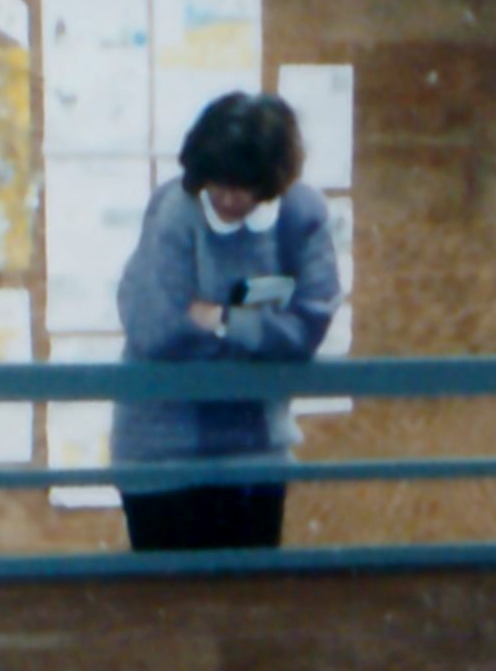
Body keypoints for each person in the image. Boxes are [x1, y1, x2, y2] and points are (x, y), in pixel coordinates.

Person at [112, 91, 340, 553]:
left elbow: (308, 328)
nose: (227, 199)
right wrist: (261, 336)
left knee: (247, 610)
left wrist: (220, 320)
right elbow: (154, 328)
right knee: (172, 611)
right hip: (161, 454)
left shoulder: (301, 217)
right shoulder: (176, 209)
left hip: (256, 454)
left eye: (243, 187)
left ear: (271, 181)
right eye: (216, 184)